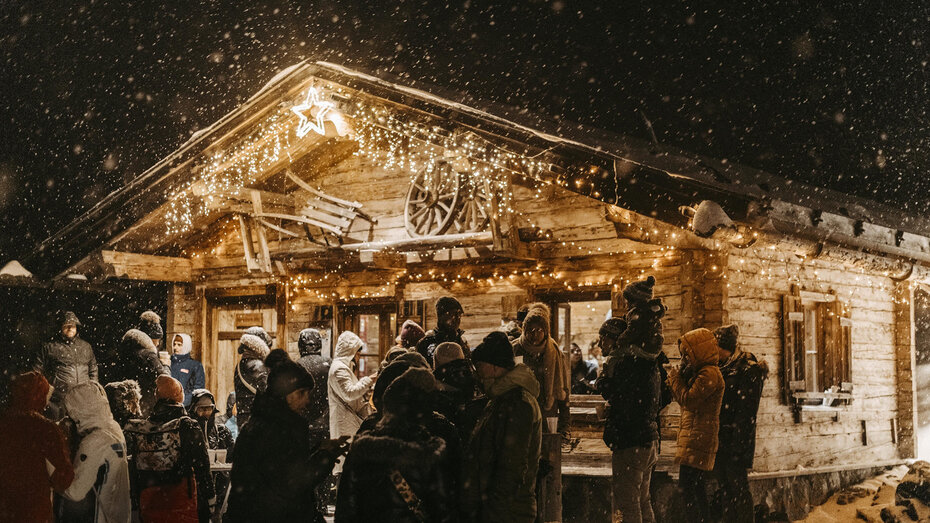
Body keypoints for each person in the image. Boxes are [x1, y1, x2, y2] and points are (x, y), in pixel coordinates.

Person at [227, 354, 348, 523]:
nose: (307, 400)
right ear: (284, 394)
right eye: (301, 393)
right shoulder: (277, 429)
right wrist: (325, 457)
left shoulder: (266, 423)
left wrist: (319, 449)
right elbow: (293, 484)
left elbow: (284, 469)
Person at [336, 368, 458, 523]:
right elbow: (443, 510)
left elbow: (346, 509)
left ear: (387, 407)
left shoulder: (363, 449)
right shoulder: (431, 452)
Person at [464, 331, 542, 523]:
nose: (478, 372)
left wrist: (494, 511)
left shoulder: (517, 403)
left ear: (494, 367)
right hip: (500, 507)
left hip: (508, 511)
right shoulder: (500, 398)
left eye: (480, 366)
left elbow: (512, 466)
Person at [595, 317, 661, 523]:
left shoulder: (624, 364)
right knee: (643, 500)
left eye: (603, 339)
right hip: (648, 439)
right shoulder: (645, 362)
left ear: (615, 340)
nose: (599, 344)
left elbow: (621, 396)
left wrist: (603, 381)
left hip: (630, 442)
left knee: (628, 505)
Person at [124, 376, 215, 523]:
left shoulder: (143, 429)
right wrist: (210, 498)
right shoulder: (187, 426)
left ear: (156, 397)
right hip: (180, 498)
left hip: (149, 499)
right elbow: (202, 466)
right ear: (179, 396)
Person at [667, 328, 725, 523]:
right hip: (695, 435)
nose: (684, 358)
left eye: (687, 353)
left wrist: (674, 379)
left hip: (699, 437)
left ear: (698, 351)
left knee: (689, 488)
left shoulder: (709, 373)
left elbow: (689, 400)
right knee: (694, 488)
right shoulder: (701, 372)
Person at [0, 371, 75, 522]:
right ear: (39, 396)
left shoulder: (4, 423)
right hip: (33, 511)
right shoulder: (45, 429)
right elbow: (62, 479)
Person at [713, 324, 768, 523]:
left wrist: (738, 442)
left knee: (738, 488)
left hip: (736, 440)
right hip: (721, 438)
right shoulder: (723, 367)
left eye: (715, 345)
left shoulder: (748, 369)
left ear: (723, 346)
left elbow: (746, 412)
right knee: (726, 488)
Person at [60, 382, 131, 523]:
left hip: (99, 516)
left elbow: (76, 492)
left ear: (78, 411)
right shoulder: (113, 428)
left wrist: (53, 479)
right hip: (116, 515)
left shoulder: (94, 441)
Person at [511, 303, 571, 440]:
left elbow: (563, 389)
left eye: (539, 330)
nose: (535, 334)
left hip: (547, 412)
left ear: (545, 332)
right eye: (531, 330)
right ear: (524, 330)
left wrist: (565, 425)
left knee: (547, 454)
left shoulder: (554, 352)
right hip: (519, 411)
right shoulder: (515, 349)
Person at [34, 310, 98, 420]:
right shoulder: (49, 347)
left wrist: (93, 389)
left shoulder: (86, 347)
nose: (70, 329)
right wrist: (43, 393)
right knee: (57, 430)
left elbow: (93, 370)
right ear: (61, 328)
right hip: (58, 399)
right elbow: (37, 371)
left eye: (72, 326)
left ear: (77, 327)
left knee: (81, 429)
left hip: (82, 399)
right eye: (66, 326)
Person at [189, 389, 234, 523]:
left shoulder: (222, 431)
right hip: (197, 491)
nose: (205, 413)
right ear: (194, 410)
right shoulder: (189, 432)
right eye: (201, 409)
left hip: (220, 488)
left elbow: (233, 456)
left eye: (209, 409)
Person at [328, 331, 377, 443]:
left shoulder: (342, 368)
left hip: (348, 421)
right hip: (345, 423)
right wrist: (370, 379)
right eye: (358, 354)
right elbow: (349, 393)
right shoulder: (339, 369)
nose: (359, 358)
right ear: (350, 352)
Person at [113, 328, 170, 417]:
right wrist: (166, 365)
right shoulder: (149, 355)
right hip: (147, 403)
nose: (158, 343)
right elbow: (165, 379)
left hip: (128, 403)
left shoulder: (122, 356)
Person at [432, 341, 481, 442]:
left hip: (449, 440)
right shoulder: (476, 376)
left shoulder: (435, 386)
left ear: (436, 362)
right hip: (476, 436)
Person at [296, 328, 332, 448]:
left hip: (303, 422)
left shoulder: (297, 365)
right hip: (326, 421)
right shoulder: (328, 364)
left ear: (301, 345)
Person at [416, 297, 470, 368]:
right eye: (452, 314)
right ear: (441, 316)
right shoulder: (426, 343)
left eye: (459, 314)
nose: (457, 318)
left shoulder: (462, 341)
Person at [234, 332, 270, 428]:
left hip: (243, 416)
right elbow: (266, 391)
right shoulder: (257, 365)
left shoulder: (240, 364)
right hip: (258, 417)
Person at [170, 333, 205, 408]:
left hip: (187, 407)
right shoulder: (169, 363)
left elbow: (198, 389)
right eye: (174, 344)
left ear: (186, 346)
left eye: (179, 345)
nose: (175, 347)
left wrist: (183, 402)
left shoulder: (195, 365)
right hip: (169, 405)